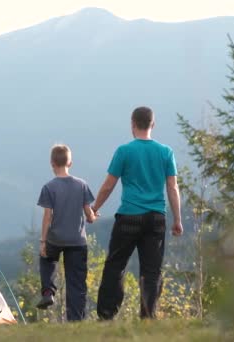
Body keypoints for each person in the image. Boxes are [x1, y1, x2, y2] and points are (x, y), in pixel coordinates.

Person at [92, 106, 183, 320]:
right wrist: (177, 219)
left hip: (129, 217)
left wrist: (95, 208)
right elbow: (172, 187)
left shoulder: (124, 151)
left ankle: (106, 315)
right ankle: (147, 316)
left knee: (115, 265)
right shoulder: (166, 152)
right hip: (156, 218)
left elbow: (108, 185)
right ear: (153, 124)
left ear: (133, 124)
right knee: (151, 271)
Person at [36, 144, 97, 322]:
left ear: (52, 163)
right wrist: (93, 216)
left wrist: (43, 242)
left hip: (56, 239)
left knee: (47, 259)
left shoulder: (49, 187)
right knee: (76, 284)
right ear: (70, 162)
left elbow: (47, 217)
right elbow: (89, 215)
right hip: (77, 241)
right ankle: (76, 321)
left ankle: (48, 290)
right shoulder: (82, 185)